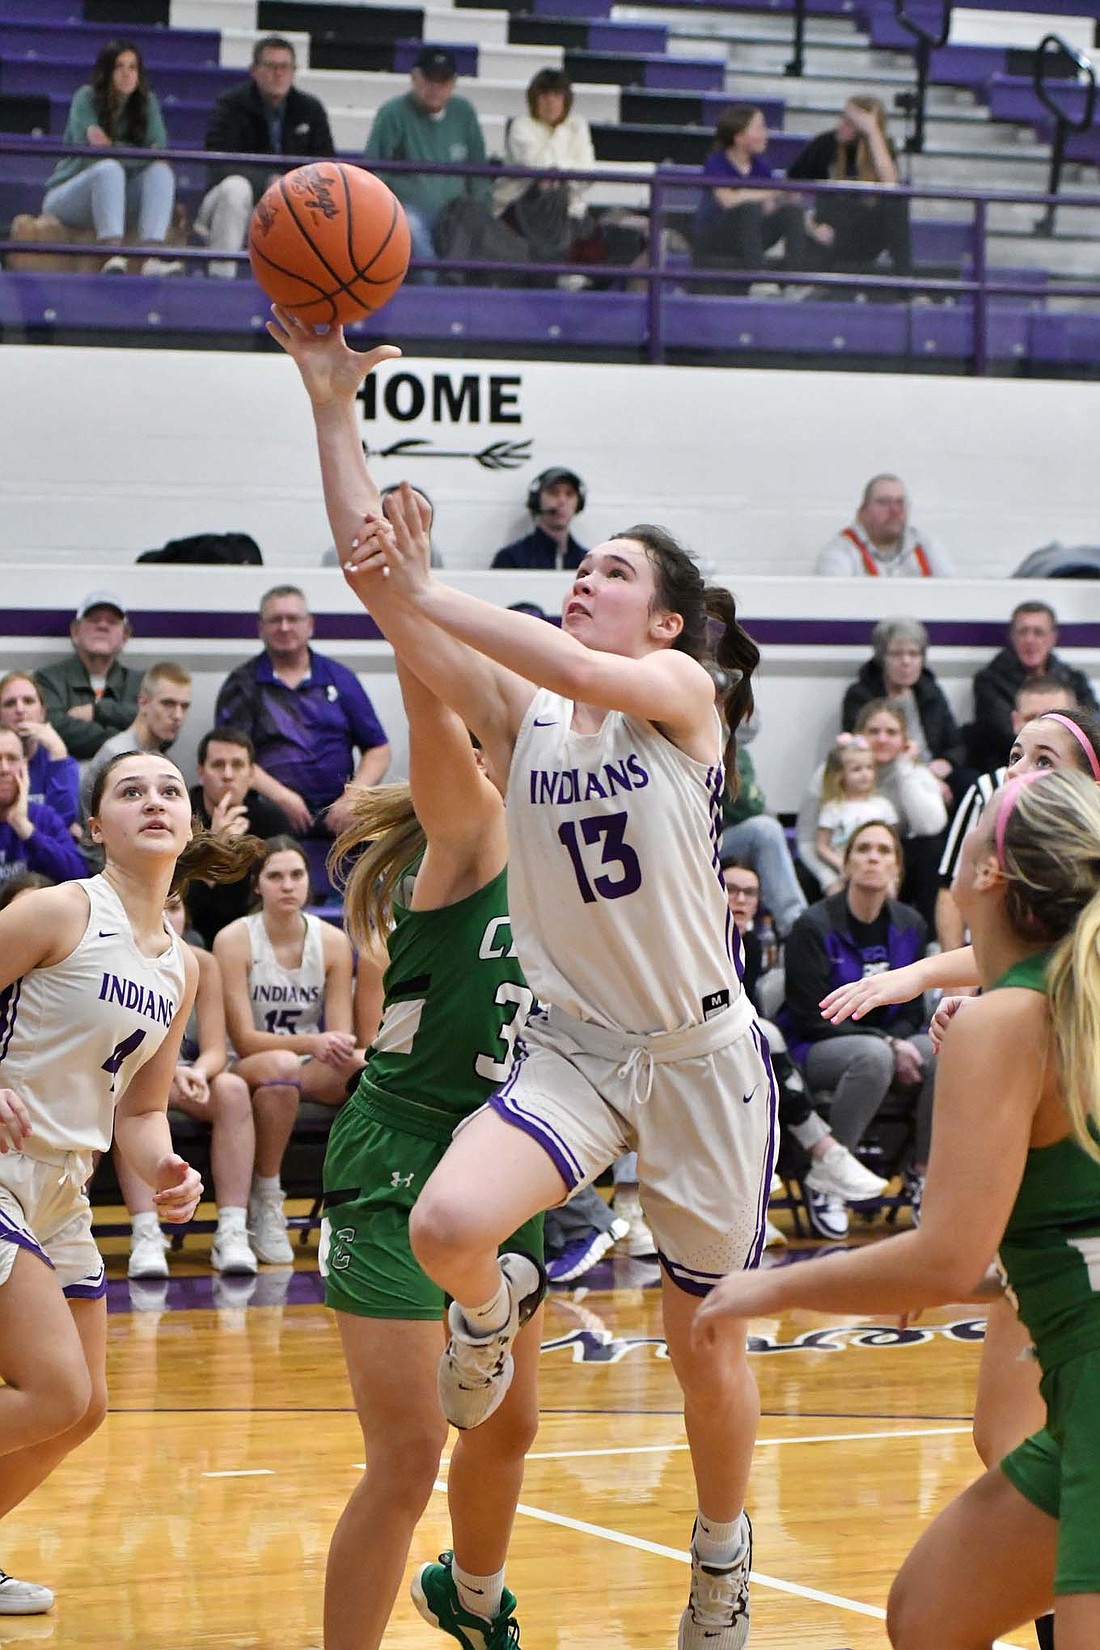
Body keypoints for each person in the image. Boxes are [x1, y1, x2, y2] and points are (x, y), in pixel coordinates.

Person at [320, 357, 775, 1647]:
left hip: (697, 1054)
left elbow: (452, 614)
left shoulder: (684, 703)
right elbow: (387, 601)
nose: (587, 580)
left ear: (668, 625)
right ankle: (488, 1312)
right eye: (586, 568)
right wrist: (328, 406)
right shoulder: (528, 724)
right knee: (449, 1223)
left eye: (615, 574)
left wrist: (431, 590)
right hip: (576, 1049)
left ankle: (721, 1565)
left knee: (706, 1345)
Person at [697, 765, 1100, 1650]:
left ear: (987, 875)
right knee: (928, 1615)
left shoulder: (1009, 1019)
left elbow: (942, 1259)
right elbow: (1059, 1242)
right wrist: (979, 1277)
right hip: (1076, 1391)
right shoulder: (1064, 1003)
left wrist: (765, 1289)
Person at [0, 748, 258, 1614]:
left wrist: (168, 1170)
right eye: (130, 790)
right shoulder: (59, 910)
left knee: (85, 1411)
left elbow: (140, 1115)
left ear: (189, 825)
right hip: (1, 1168)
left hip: (64, 1186)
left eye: (170, 790)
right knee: (53, 1391)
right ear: (93, 826)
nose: (154, 800)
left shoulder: (182, 967)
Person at [777, 820, 934, 1237]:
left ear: (896, 869)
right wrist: (887, 1042)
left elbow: (913, 1006)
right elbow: (811, 1016)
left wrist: (899, 1039)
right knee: (874, 1056)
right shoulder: (811, 925)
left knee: (944, 1047)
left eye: (884, 851)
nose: (873, 858)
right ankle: (832, 1171)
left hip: (887, 1042)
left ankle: (922, 1171)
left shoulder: (911, 924)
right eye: (863, 849)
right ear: (846, 864)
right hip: (816, 1047)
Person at [213, 836, 362, 1265]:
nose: (287, 885)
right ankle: (267, 1195)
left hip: (304, 1065)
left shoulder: (332, 942)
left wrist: (331, 1048)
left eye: (296, 875)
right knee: (279, 1068)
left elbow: (341, 1036)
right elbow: (244, 1038)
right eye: (274, 876)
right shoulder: (234, 939)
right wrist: (312, 1043)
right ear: (257, 885)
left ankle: (358, 1206)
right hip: (246, 1063)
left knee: (364, 1069)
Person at [722, 857, 887, 1242]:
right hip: (691, 1047)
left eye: (750, 893)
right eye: (731, 890)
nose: (741, 900)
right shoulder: (694, 936)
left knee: (760, 1049)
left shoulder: (754, 941)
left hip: (738, 1054)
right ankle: (825, 1155)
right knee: (764, 1039)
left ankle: (755, 1206)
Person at [213, 585, 389, 897]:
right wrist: (282, 796)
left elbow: (378, 747)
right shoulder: (242, 684)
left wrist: (356, 795)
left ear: (310, 625)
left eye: (293, 619)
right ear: (261, 628)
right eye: (275, 620)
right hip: (272, 814)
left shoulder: (339, 678)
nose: (284, 627)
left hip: (341, 812)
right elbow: (233, 756)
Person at [121, 895, 258, 1281]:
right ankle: (146, 1233)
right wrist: (168, 1074)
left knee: (231, 1089)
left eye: (177, 907)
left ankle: (232, 1229)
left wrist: (197, 1071)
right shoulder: (117, 958)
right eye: (159, 907)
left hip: (187, 1077)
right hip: (133, 1078)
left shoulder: (203, 963)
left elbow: (216, 1049)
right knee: (125, 1096)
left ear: (187, 916)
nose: (167, 916)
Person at [935, 678, 1076, 950]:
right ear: (1014, 722)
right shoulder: (987, 789)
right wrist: (945, 977)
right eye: (1031, 717)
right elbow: (949, 890)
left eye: (1054, 718)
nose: (1016, 772)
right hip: (991, 958)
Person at [195, 35, 335, 280]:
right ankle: (221, 281)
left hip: (292, 203)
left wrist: (287, 187)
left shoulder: (311, 110)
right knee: (235, 189)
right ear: (254, 71)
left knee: (320, 200)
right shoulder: (230, 105)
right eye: (270, 66)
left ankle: (305, 291)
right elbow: (219, 164)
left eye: (285, 67)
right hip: (233, 204)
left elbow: (327, 167)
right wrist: (269, 182)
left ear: (293, 72)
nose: (278, 74)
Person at [41, 40, 182, 277]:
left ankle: (150, 257)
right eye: (119, 67)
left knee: (160, 172)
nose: (127, 74)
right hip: (70, 195)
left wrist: (118, 148)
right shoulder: (85, 98)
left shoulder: (147, 102)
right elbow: (96, 154)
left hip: (121, 197)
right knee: (108, 169)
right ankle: (112, 254)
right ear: (107, 72)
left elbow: (159, 156)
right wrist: (141, 154)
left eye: (132, 67)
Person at [364, 48, 489, 285]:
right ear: (415, 78)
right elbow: (375, 171)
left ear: (452, 84)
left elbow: (479, 173)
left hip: (456, 212)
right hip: (406, 210)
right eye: (429, 79)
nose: (435, 87)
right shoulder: (392, 114)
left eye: (443, 80)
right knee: (411, 226)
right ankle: (433, 296)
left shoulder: (465, 113)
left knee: (476, 219)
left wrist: (480, 208)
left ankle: (455, 293)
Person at [786, 95, 912, 282]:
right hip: (827, 234)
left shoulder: (881, 150)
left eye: (850, 122)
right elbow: (788, 189)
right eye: (842, 118)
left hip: (862, 236)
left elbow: (891, 187)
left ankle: (907, 284)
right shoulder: (826, 144)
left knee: (896, 204)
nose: (841, 125)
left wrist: (872, 132)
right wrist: (811, 226)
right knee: (837, 201)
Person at [186, 729, 291, 949]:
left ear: (251, 775)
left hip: (256, 939)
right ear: (201, 773)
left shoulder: (272, 821)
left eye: (237, 765)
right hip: (193, 937)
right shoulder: (181, 817)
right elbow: (180, 904)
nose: (228, 775)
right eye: (217, 765)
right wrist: (215, 848)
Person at [841, 617, 966, 802]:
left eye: (914, 654)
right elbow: (860, 749)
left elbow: (955, 744)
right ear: (882, 658)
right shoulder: (860, 695)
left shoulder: (930, 691)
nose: (906, 661)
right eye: (896, 654)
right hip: (886, 773)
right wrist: (925, 779)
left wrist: (948, 762)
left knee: (967, 782)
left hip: (930, 769)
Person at [494, 69, 599, 285]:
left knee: (571, 207)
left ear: (566, 100)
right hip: (523, 207)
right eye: (544, 96)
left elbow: (587, 175)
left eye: (557, 96)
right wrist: (565, 164)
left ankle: (564, 273)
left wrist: (559, 170)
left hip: (570, 209)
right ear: (534, 100)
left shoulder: (578, 126)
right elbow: (539, 167)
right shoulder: (521, 126)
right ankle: (556, 274)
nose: (550, 103)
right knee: (553, 193)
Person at [969, 600, 1098, 775]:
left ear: (1053, 637)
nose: (1030, 640)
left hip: (1068, 770)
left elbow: (1091, 727)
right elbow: (1003, 733)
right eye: (1023, 632)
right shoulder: (988, 682)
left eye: (1038, 632)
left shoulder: (1075, 681)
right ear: (1012, 636)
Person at [852, 698, 947, 928]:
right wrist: (831, 879)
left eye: (891, 732)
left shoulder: (914, 772)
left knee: (931, 849)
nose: (882, 739)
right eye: (874, 731)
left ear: (904, 739)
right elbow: (808, 839)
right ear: (860, 735)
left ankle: (930, 940)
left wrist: (904, 768)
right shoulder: (836, 769)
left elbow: (931, 826)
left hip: (894, 864)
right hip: (844, 856)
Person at [691, 104, 810, 278]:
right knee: (750, 208)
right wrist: (772, 191)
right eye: (759, 128)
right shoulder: (716, 162)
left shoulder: (762, 167)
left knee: (792, 212)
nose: (765, 134)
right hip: (716, 235)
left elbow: (768, 209)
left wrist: (787, 196)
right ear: (739, 137)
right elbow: (728, 201)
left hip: (750, 233)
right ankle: (759, 276)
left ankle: (794, 278)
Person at [35, 592, 142, 764]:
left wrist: (98, 711)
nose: (102, 626)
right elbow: (53, 727)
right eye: (93, 619)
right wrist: (129, 739)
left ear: (125, 636)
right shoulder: (47, 680)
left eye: (112, 622)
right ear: (75, 630)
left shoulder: (141, 683)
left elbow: (160, 726)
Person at [719, 735, 807, 939]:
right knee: (765, 830)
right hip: (682, 841)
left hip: (718, 837)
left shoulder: (730, 747)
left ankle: (798, 930)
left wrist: (727, 759)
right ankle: (797, 927)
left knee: (767, 828)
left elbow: (751, 806)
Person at [80, 663, 192, 817]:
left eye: (184, 706)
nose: (178, 715)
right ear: (143, 702)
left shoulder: (154, 755)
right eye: (168, 704)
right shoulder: (117, 755)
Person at [816, 475, 955, 578]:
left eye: (900, 502)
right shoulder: (840, 551)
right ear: (862, 512)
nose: (895, 510)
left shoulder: (926, 546)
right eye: (884, 502)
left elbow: (951, 595)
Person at [0, 729, 87, 885]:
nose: (4, 768)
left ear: (24, 767)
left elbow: (79, 876)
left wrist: (26, 830)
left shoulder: (44, 817)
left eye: (12, 759)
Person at [814, 733, 898, 892]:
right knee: (835, 892)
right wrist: (841, 863)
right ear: (840, 775)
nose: (865, 774)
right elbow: (821, 846)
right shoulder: (832, 808)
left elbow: (893, 843)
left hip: (877, 865)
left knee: (889, 890)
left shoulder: (883, 806)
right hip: (842, 870)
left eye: (869, 768)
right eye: (856, 769)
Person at [0, 673, 80, 832]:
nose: (20, 709)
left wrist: (58, 753)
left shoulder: (62, 761)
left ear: (42, 712)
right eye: (10, 703)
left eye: (28, 701)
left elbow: (62, 824)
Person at [491, 467, 587, 571]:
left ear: (578, 503)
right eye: (553, 493)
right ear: (537, 501)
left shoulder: (588, 562)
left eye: (569, 494)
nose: (562, 501)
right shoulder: (511, 559)